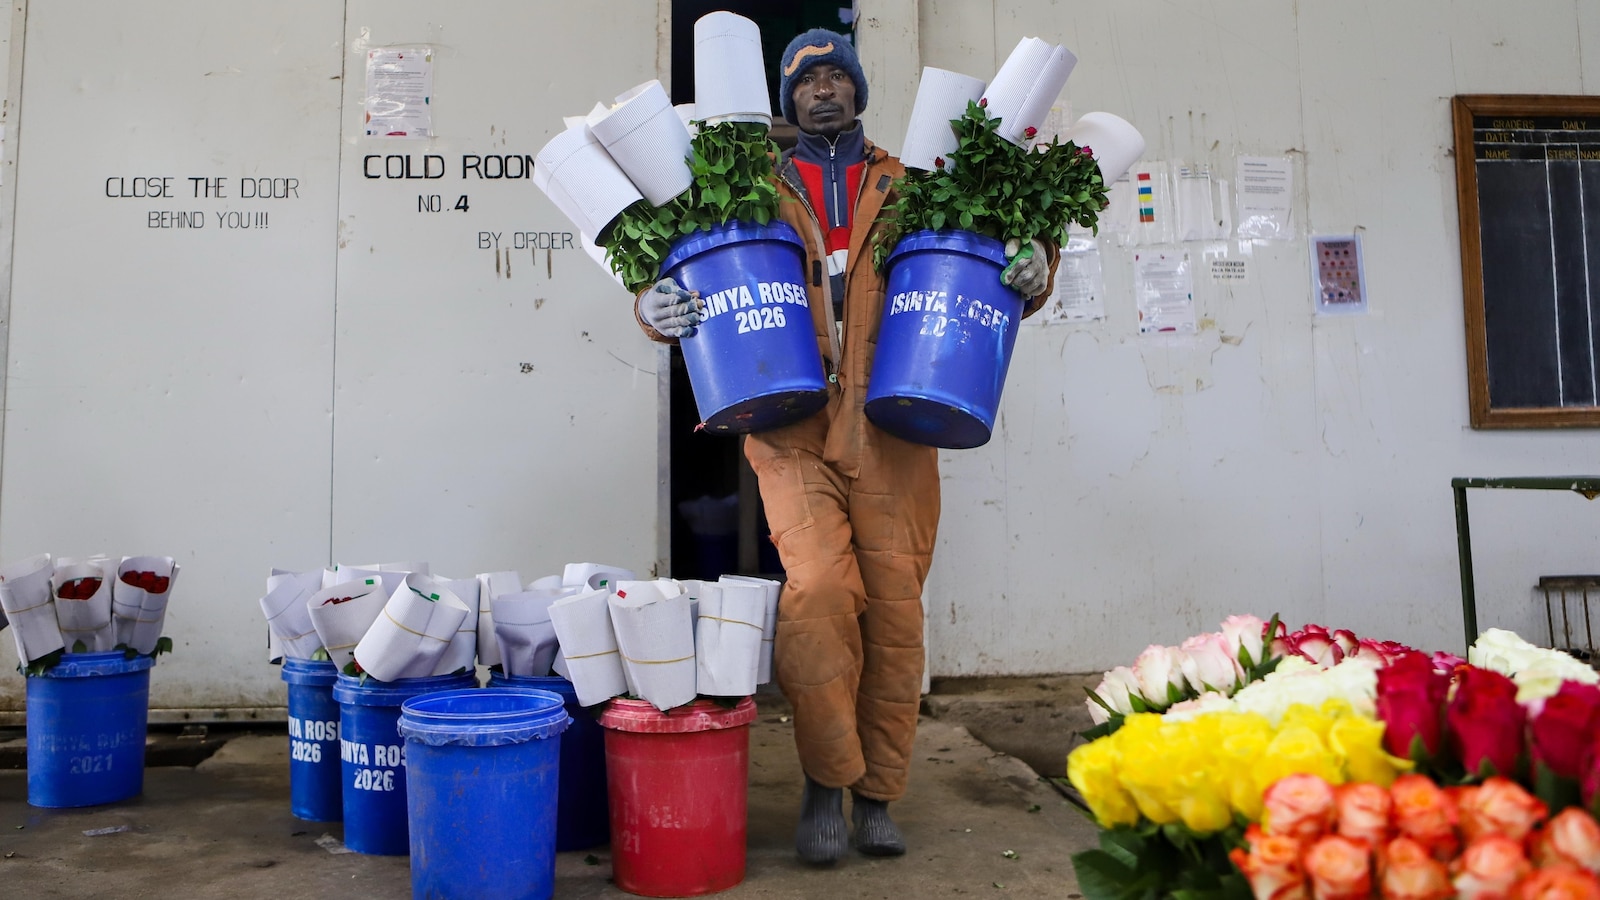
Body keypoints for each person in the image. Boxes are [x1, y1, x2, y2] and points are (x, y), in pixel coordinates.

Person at [635, 29, 1055, 865]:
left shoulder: (918, 182)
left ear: (858, 90)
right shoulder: (743, 187)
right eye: (805, 79)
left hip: (894, 423)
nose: (822, 89)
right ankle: (827, 781)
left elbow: (990, 250)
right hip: (791, 427)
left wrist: (1037, 262)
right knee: (820, 593)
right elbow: (680, 267)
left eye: (836, 75)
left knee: (894, 612)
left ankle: (878, 795)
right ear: (786, 99)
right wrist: (653, 305)